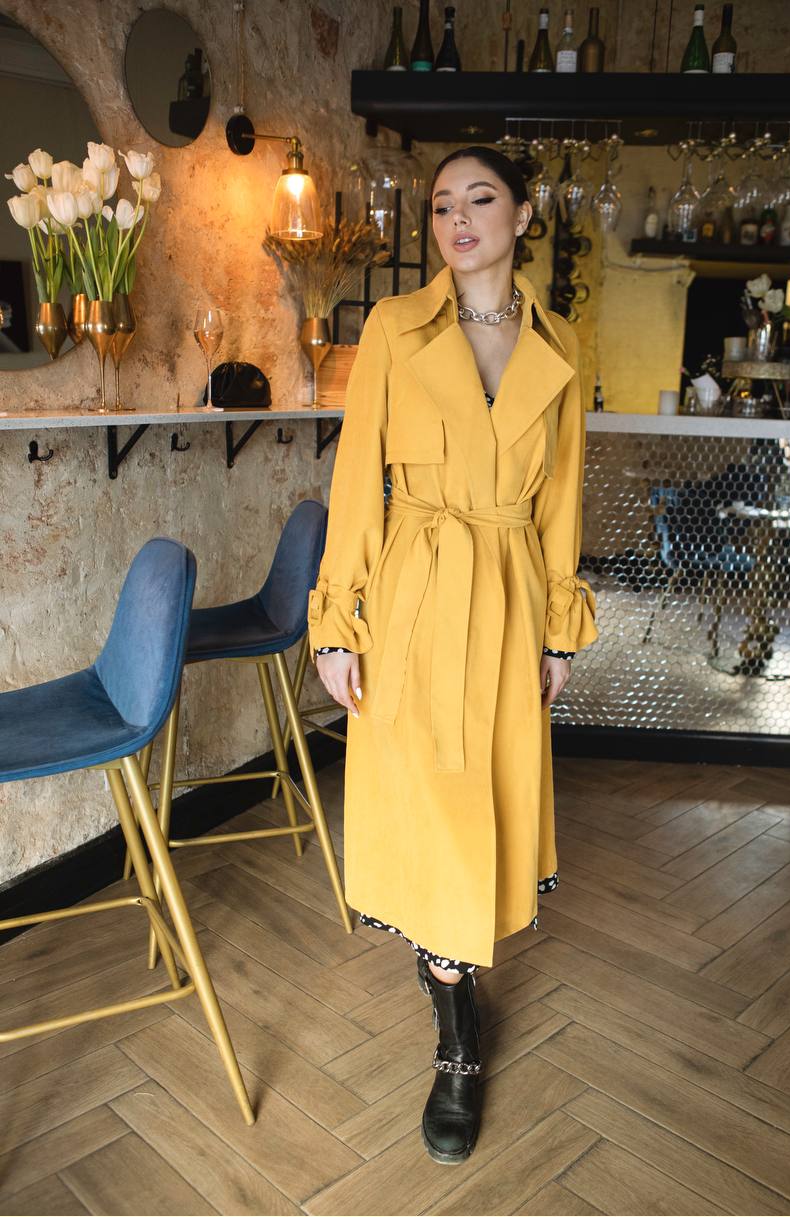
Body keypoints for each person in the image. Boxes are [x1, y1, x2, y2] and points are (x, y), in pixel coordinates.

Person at [307, 145, 599, 1164]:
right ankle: (453, 1037)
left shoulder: (560, 343)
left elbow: (562, 494)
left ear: (522, 215)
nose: (457, 218)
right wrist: (337, 620)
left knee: (489, 799)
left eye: (480, 199)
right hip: (417, 585)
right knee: (430, 803)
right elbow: (354, 484)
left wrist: (562, 627)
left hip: (514, 591)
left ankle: (458, 996)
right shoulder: (393, 328)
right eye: (440, 204)